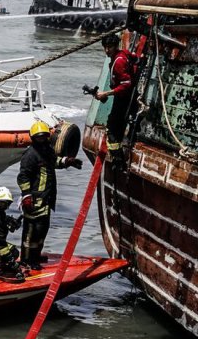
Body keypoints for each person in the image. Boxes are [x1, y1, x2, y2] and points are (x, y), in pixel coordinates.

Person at [17, 121, 83, 270]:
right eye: (38, 137)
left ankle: (36, 255)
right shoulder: (30, 155)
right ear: (33, 138)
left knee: (43, 228)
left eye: (44, 137)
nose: (42, 139)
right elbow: (23, 177)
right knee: (31, 231)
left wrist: (68, 161)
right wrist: (26, 196)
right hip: (34, 199)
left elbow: (54, 162)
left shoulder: (47, 150)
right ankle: (27, 259)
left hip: (47, 197)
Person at [93, 34, 136, 168]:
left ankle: (118, 161)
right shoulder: (123, 54)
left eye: (110, 47)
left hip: (123, 98)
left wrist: (106, 93)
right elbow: (135, 59)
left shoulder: (118, 62)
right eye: (105, 47)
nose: (107, 50)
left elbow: (126, 85)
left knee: (112, 128)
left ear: (116, 46)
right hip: (125, 96)